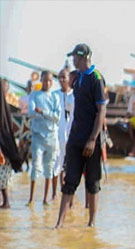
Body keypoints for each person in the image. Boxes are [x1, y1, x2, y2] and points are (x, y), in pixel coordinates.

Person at [54, 43, 107, 229]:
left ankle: (91, 223)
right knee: (70, 181)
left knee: (92, 182)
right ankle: (59, 223)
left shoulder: (96, 78)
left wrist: (93, 139)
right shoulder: (77, 78)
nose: (73, 61)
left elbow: (101, 111)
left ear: (82, 57)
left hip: (90, 139)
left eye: (75, 58)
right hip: (75, 138)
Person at [27, 71, 61, 205]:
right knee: (35, 166)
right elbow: (30, 112)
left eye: (50, 81)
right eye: (45, 80)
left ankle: (45, 199)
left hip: (51, 136)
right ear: (41, 80)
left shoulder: (54, 97)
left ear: (52, 82)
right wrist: (46, 115)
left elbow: (57, 117)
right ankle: (31, 199)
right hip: (37, 135)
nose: (47, 83)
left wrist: (42, 112)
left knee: (49, 167)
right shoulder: (34, 95)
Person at [52, 68, 75, 200]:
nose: (61, 80)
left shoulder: (74, 96)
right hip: (56, 134)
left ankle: (67, 194)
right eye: (59, 77)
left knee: (68, 166)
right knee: (56, 164)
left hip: (71, 135)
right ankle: (54, 194)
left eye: (64, 77)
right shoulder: (54, 95)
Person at [0, 80, 23, 209]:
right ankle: (6, 202)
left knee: (2, 177)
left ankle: (6, 202)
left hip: (3, 147)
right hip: (5, 146)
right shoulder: (5, 106)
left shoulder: (3, 107)